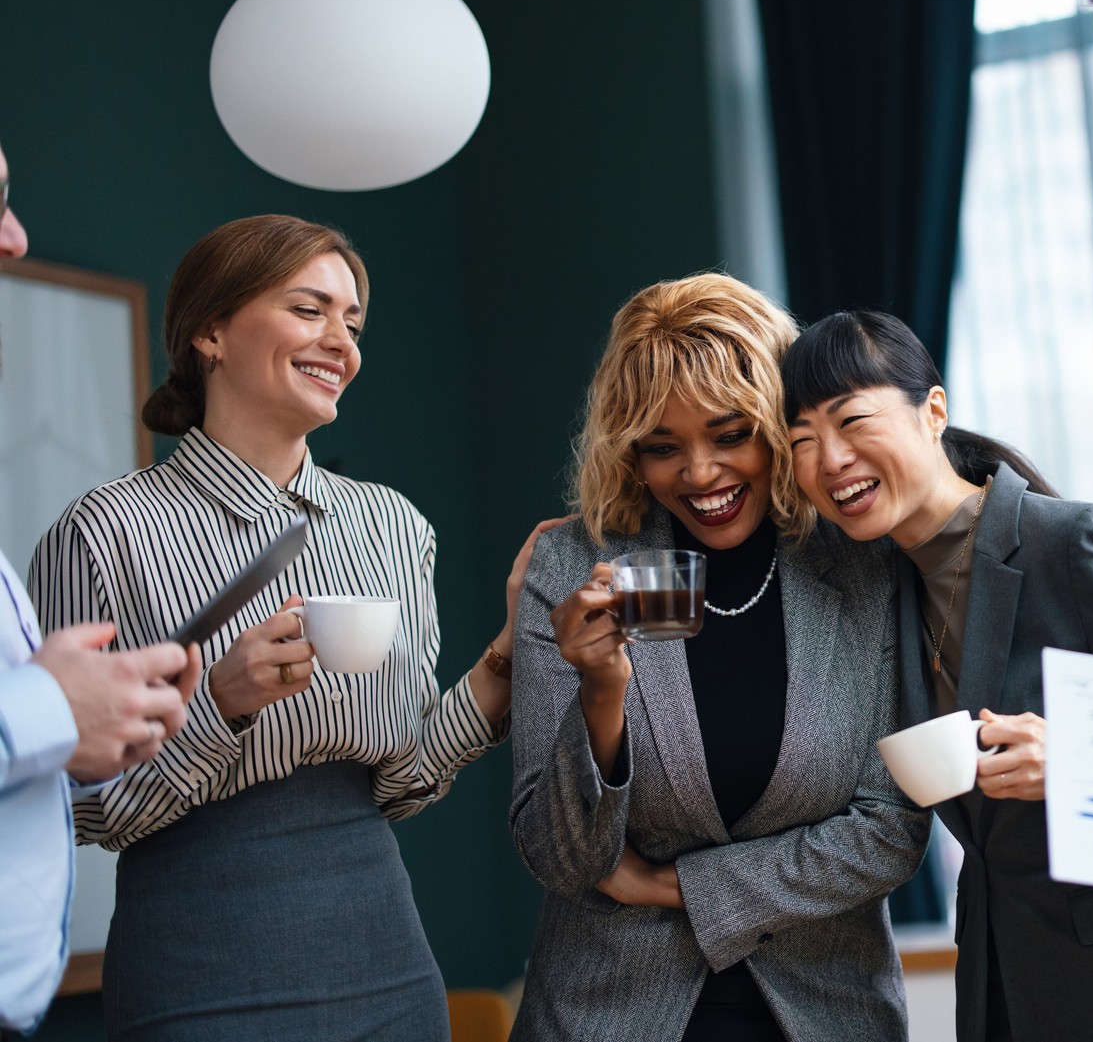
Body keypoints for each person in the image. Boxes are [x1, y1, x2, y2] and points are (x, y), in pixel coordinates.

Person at [29, 214, 536, 1041]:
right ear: (210, 330)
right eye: (310, 309)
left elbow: (401, 774)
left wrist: (506, 659)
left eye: (353, 321)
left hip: (386, 954)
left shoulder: (394, 526)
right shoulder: (104, 531)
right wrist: (219, 705)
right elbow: (81, 807)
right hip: (194, 965)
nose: (340, 340)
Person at [783, 309, 1093, 1042]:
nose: (830, 459)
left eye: (852, 420)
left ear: (934, 410)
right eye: (802, 441)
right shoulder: (881, 592)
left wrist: (1081, 759)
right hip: (1013, 990)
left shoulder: (1074, 544)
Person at [508, 274, 928, 1042]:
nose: (699, 474)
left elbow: (889, 831)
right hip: (604, 1017)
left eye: (730, 433)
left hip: (829, 1016)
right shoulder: (572, 566)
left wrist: (673, 886)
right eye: (662, 447)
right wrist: (600, 694)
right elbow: (564, 860)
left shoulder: (863, 564)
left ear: (781, 423)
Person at [0, 142, 200, 1038]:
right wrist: (46, 709)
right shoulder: (100, 527)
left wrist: (72, 734)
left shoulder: (388, 523)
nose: (16, 238)